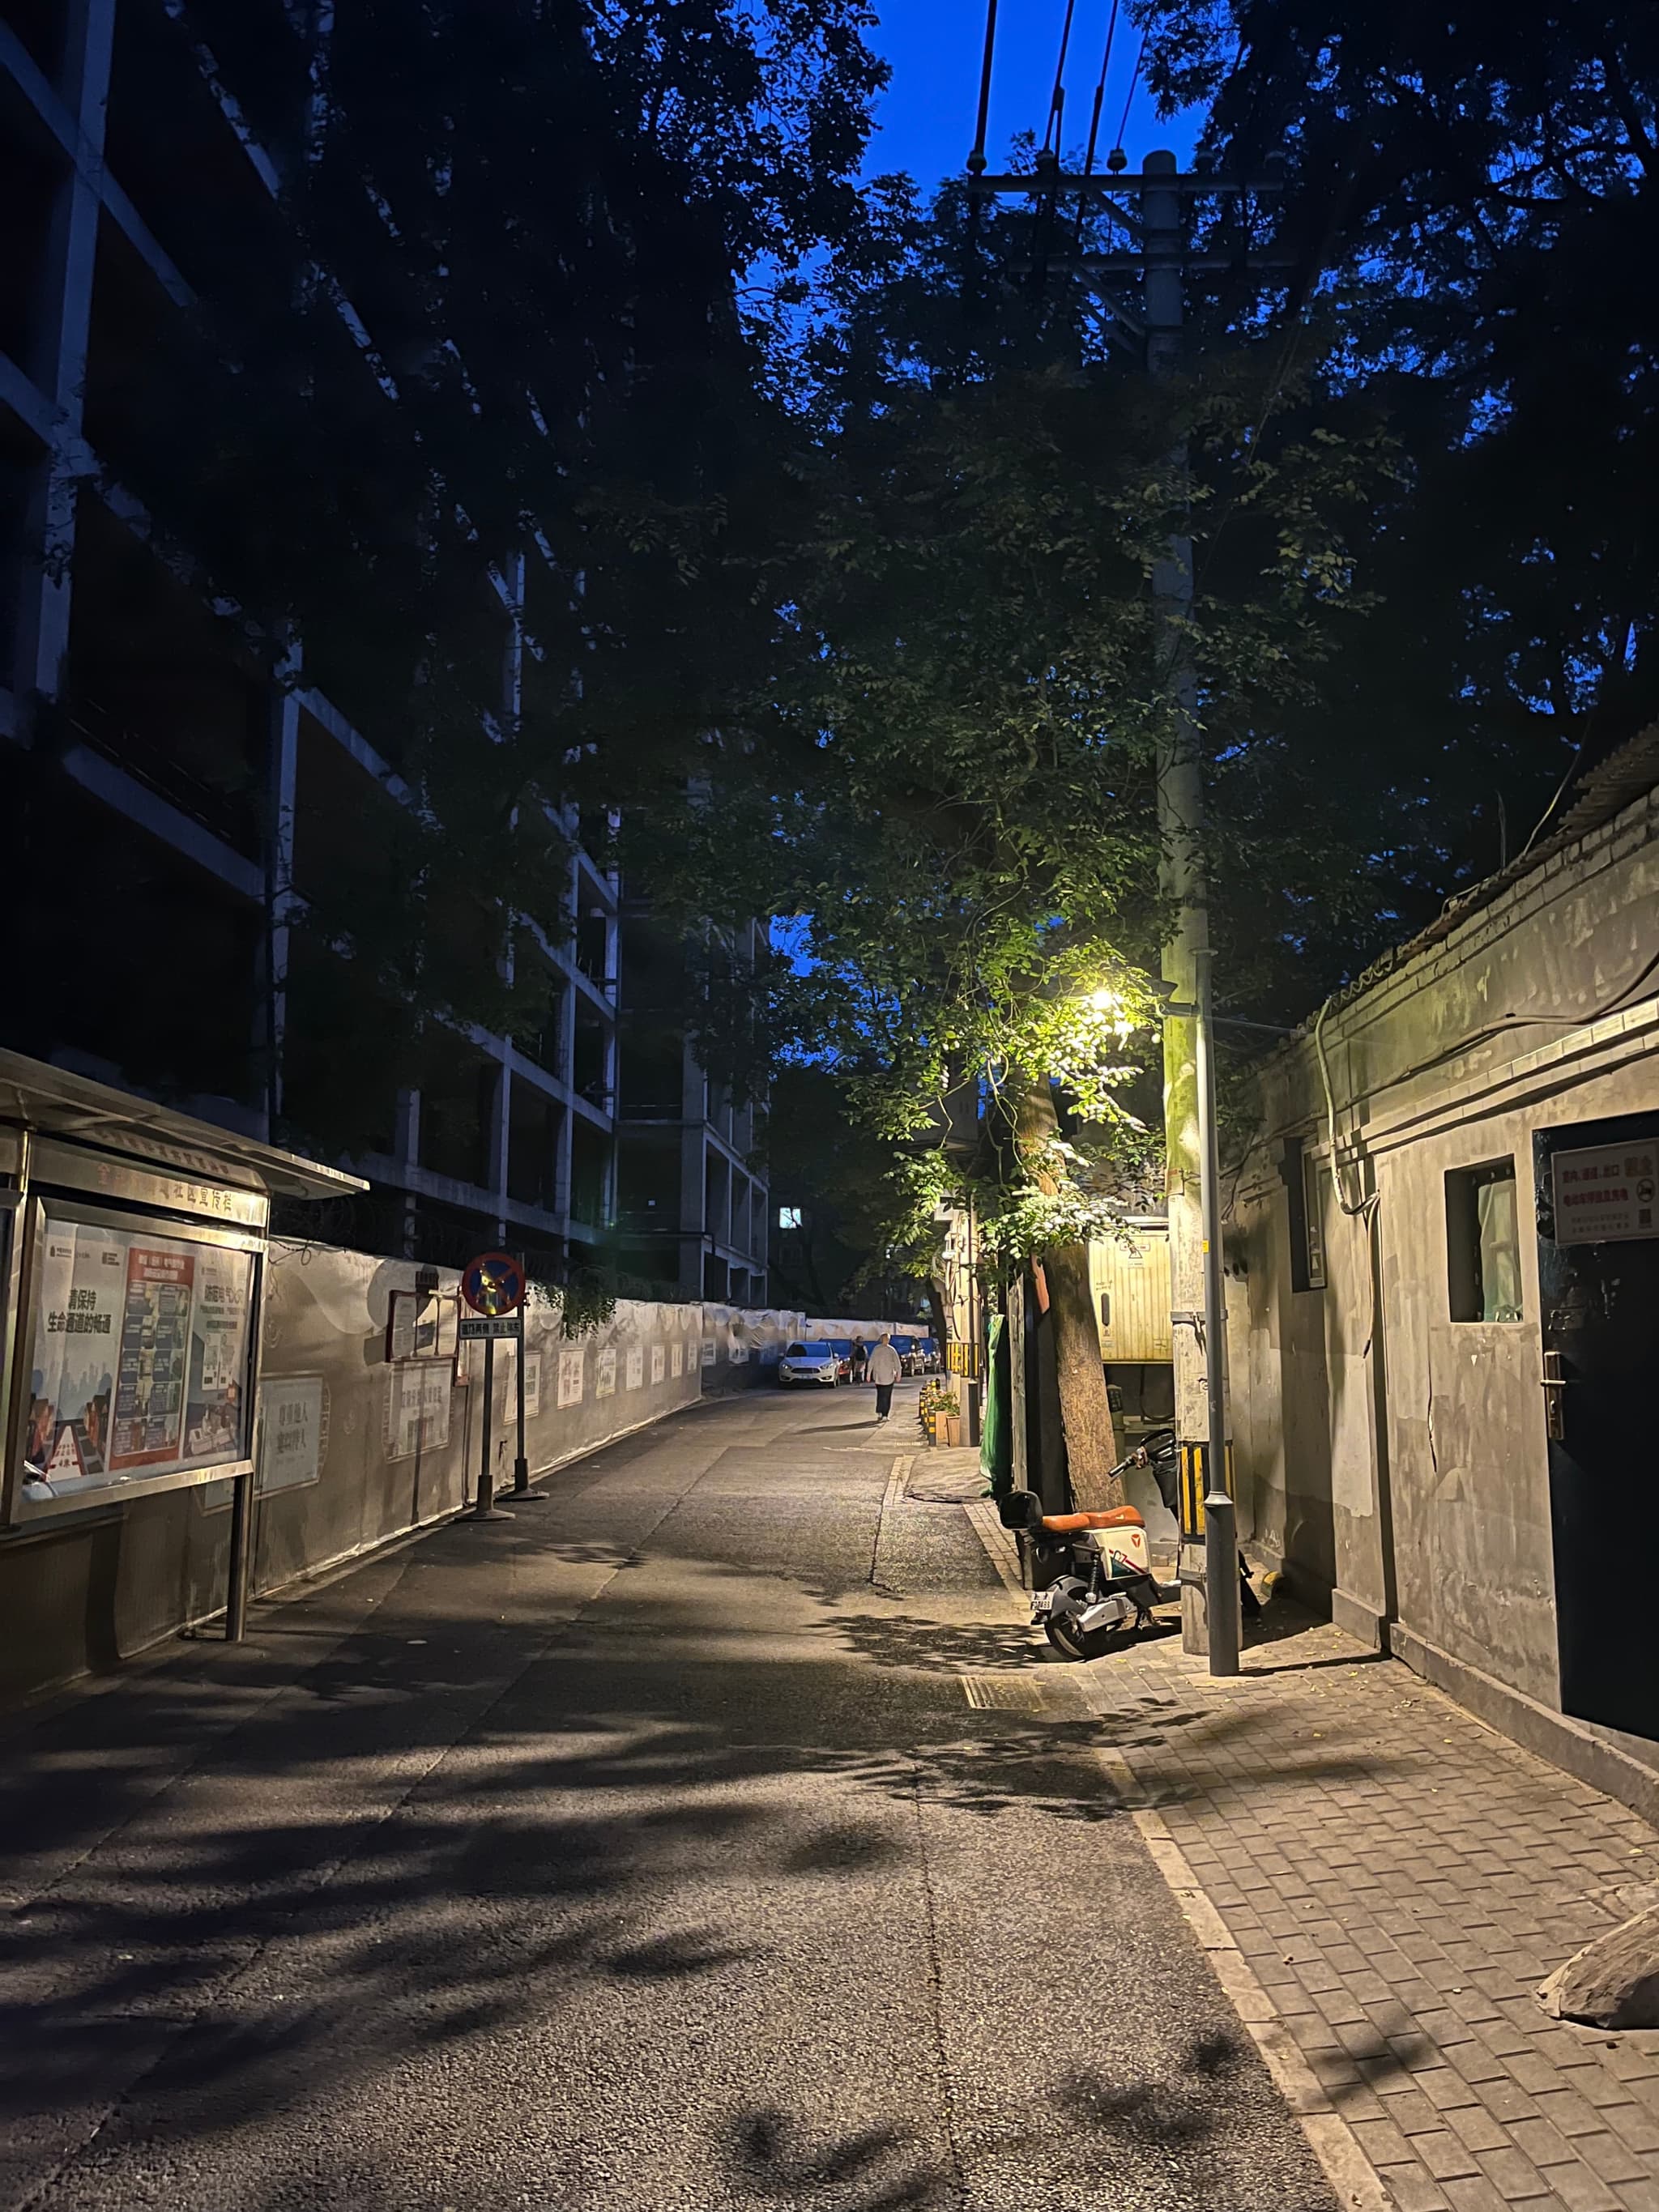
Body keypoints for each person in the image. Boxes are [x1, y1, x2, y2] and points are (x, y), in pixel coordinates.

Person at [866, 1332, 902, 1421]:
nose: (886, 1340)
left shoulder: (891, 1350)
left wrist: (898, 1374)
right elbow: (872, 1362)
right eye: (885, 1339)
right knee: (882, 1395)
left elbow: (897, 1364)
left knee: (886, 1395)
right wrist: (868, 1374)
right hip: (879, 1377)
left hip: (888, 1376)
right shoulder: (877, 1349)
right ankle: (881, 1412)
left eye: (887, 1339)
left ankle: (884, 1413)